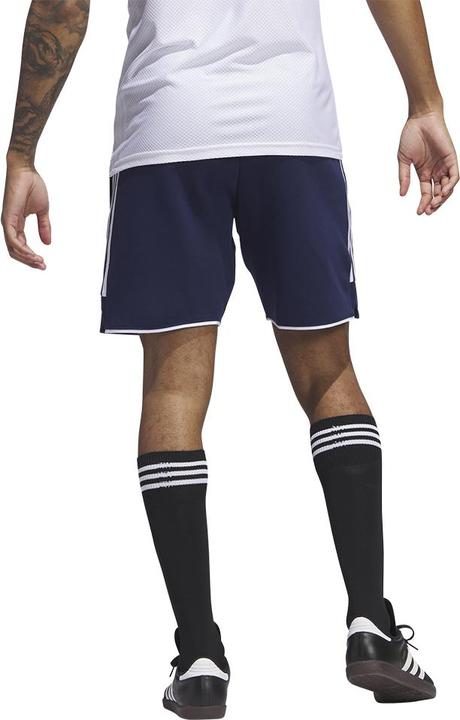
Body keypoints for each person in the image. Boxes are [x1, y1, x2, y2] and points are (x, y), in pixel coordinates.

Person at [2, 1, 458, 717]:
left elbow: (64, 6)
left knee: (172, 392)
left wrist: (23, 153)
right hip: (291, 125)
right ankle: (371, 624)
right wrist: (424, 101)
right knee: (329, 373)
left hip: (169, 125)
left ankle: (199, 658)